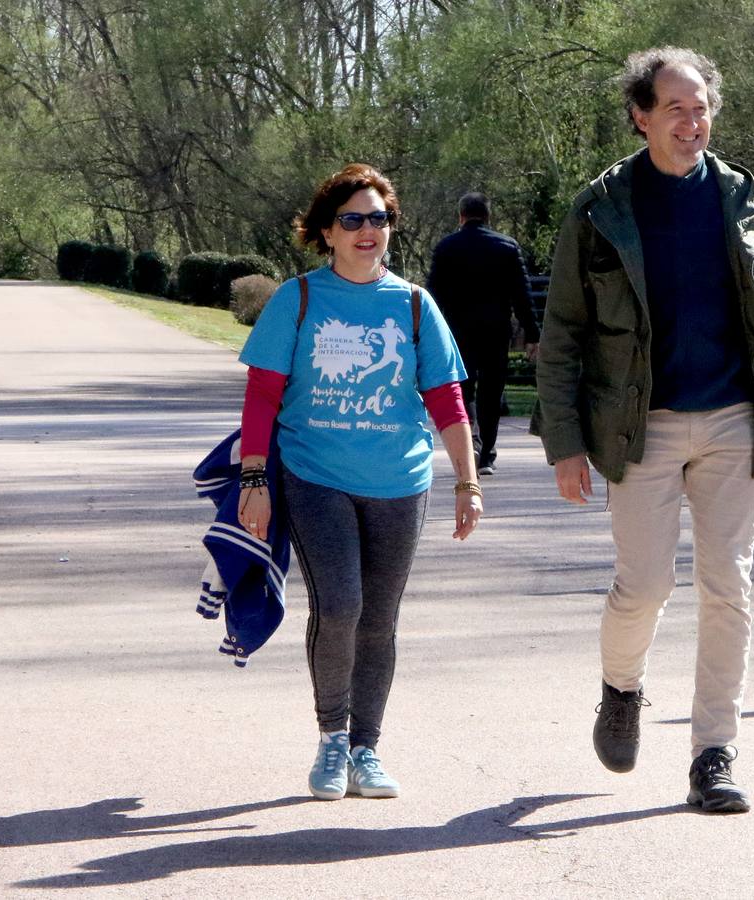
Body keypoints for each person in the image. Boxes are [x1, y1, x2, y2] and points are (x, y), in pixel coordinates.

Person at [531, 48, 754, 814]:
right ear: (641, 116)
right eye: (675, 110)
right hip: (640, 426)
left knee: (729, 588)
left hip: (733, 420)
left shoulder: (742, 198)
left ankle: (712, 754)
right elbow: (561, 331)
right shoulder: (600, 208)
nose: (691, 124)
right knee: (646, 586)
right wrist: (563, 441)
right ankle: (621, 690)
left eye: (700, 109)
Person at [237, 163, 482, 800]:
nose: (368, 230)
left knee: (380, 618)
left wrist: (467, 482)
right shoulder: (300, 299)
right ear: (327, 231)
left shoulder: (413, 304)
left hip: (400, 482)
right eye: (353, 219)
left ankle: (368, 748)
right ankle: (331, 740)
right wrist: (254, 478)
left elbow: (446, 398)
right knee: (340, 605)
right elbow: (263, 395)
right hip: (315, 475)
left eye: (378, 218)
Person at [427, 191, 539, 475]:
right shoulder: (507, 247)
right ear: (489, 217)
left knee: (462, 391)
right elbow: (522, 296)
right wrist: (532, 335)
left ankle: (470, 446)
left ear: (460, 216)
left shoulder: (445, 248)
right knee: (492, 392)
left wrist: (425, 337)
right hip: (495, 331)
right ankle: (487, 454)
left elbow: (432, 297)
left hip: (456, 334)